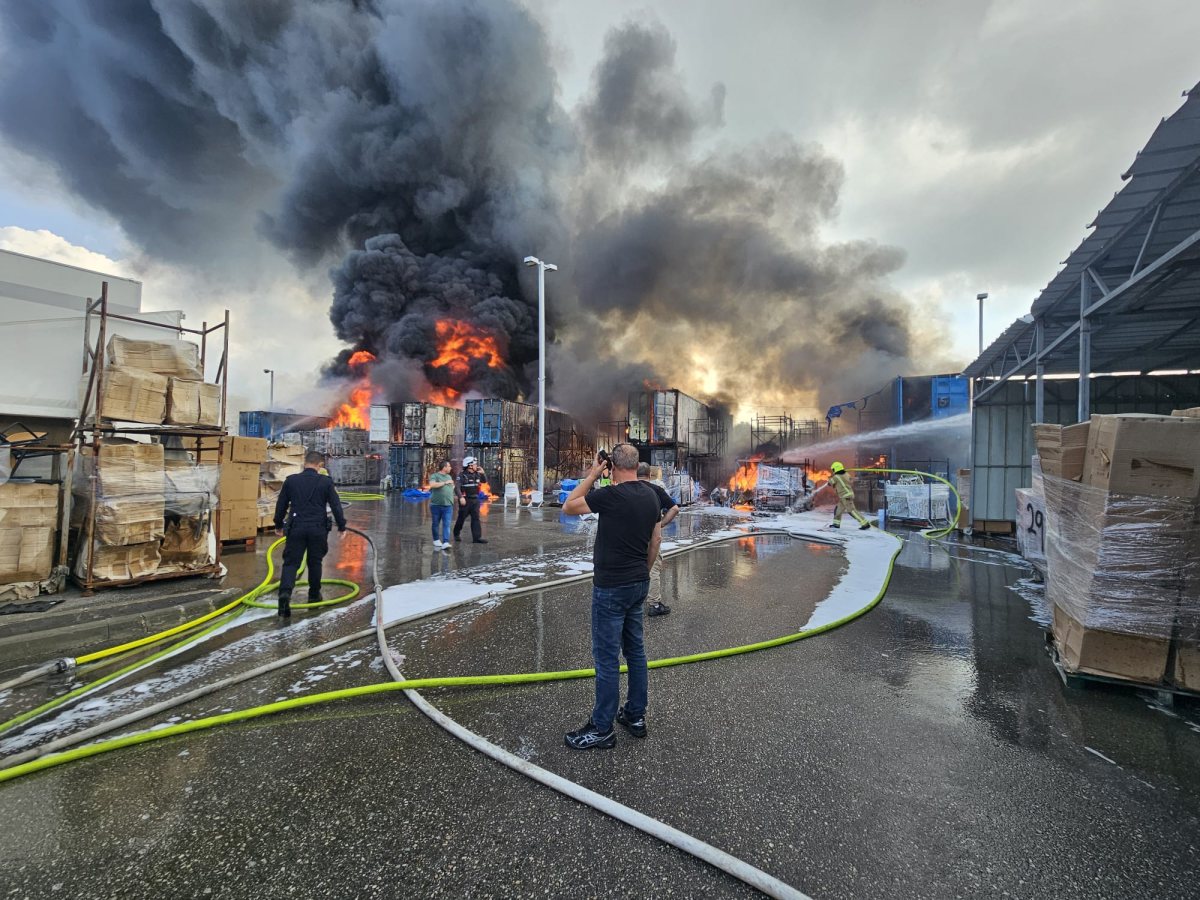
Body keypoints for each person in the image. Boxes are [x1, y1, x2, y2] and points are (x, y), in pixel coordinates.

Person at [562, 444, 662, 750]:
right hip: (637, 583)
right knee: (636, 653)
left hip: (610, 589)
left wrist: (594, 472)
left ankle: (602, 728)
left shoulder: (610, 495)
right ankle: (635, 715)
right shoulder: (652, 494)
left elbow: (570, 505)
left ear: (613, 467)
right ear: (636, 464)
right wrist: (643, 572)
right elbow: (656, 539)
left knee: (606, 660)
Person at [273, 451, 347, 617]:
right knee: (315, 562)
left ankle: (284, 594)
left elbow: (281, 505)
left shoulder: (291, 481)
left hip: (296, 527)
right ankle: (314, 595)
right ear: (320, 465)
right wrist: (342, 526)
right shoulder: (325, 482)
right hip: (317, 528)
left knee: (291, 563)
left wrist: (278, 524)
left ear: (304, 463)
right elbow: (336, 506)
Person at [637, 462, 679, 617]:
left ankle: (633, 599)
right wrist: (661, 524)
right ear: (650, 475)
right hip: (650, 536)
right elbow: (674, 509)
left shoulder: (628, 488)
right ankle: (654, 603)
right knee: (653, 567)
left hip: (630, 537)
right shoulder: (656, 490)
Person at [824, 461, 871, 530]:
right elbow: (850, 481)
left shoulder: (836, 477)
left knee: (852, 511)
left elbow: (829, 483)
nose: (833, 471)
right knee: (838, 511)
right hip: (844, 496)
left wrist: (831, 478)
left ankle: (865, 523)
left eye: (833, 469)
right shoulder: (846, 474)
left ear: (836, 469)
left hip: (846, 496)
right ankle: (836, 524)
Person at [453, 456, 489, 544]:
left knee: (476, 518)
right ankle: (456, 533)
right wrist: (461, 497)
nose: (476, 465)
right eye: (474, 464)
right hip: (465, 500)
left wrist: (483, 473)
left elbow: (484, 481)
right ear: (469, 465)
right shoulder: (462, 475)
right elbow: (457, 488)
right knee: (461, 518)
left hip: (475, 500)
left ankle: (477, 538)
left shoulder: (477, 474)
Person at [428, 460, 454, 550]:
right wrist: (445, 483)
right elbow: (432, 485)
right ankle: (436, 540)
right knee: (435, 523)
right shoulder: (435, 476)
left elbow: (452, 487)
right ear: (444, 468)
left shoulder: (449, 476)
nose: (451, 468)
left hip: (448, 505)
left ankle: (446, 541)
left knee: (447, 523)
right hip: (436, 505)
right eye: (449, 466)